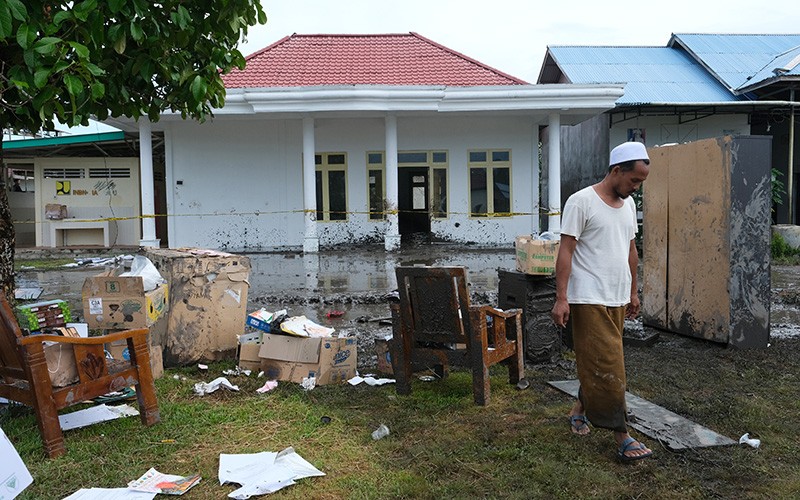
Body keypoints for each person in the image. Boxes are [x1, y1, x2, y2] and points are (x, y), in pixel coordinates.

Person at [550, 141, 653, 463]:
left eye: (640, 182)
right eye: (634, 180)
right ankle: (621, 434)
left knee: (599, 360)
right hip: (588, 296)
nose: (635, 187)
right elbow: (565, 251)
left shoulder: (627, 205)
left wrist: (633, 292)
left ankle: (579, 410)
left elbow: (631, 250)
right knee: (609, 365)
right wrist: (561, 298)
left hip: (617, 296)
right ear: (616, 170)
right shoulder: (581, 202)